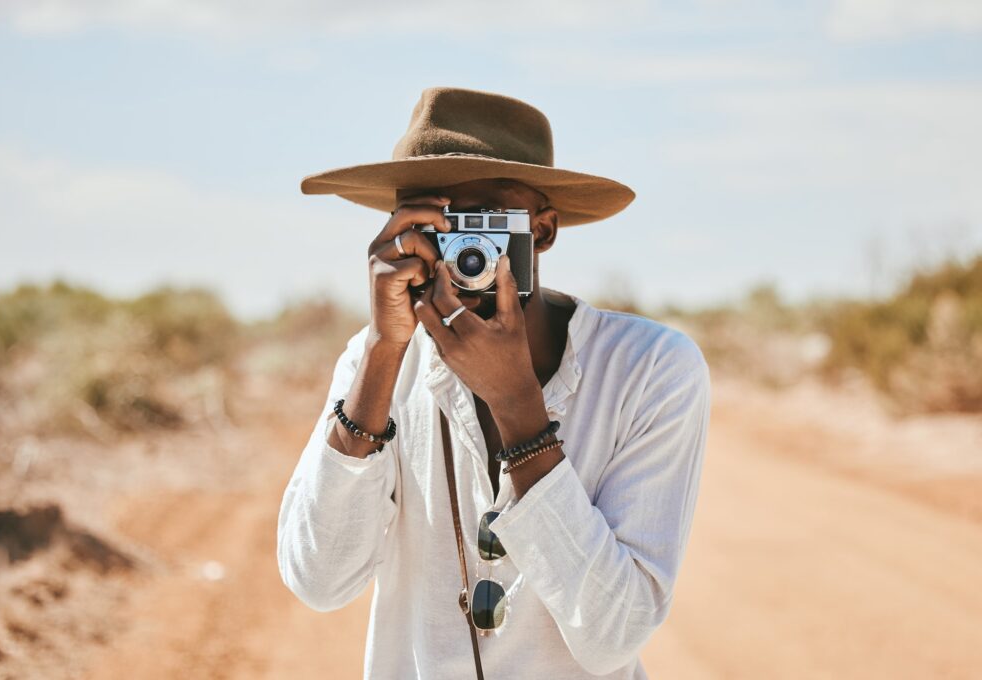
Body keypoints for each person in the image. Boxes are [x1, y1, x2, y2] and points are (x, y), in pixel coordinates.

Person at [277, 86, 712, 680]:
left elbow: (615, 636)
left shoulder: (650, 369)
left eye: (483, 219)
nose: (464, 247)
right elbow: (318, 580)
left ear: (544, 230)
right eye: (434, 222)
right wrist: (383, 353)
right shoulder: (375, 360)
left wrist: (518, 408)